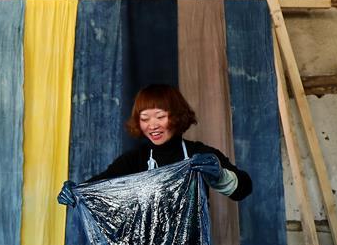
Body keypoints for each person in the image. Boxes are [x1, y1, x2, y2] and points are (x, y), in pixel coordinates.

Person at [87, 84, 252, 200]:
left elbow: (244, 188)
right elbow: (99, 185)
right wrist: (76, 191)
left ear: (176, 117)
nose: (152, 125)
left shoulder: (199, 154)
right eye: (145, 119)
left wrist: (220, 175)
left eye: (160, 117)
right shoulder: (134, 160)